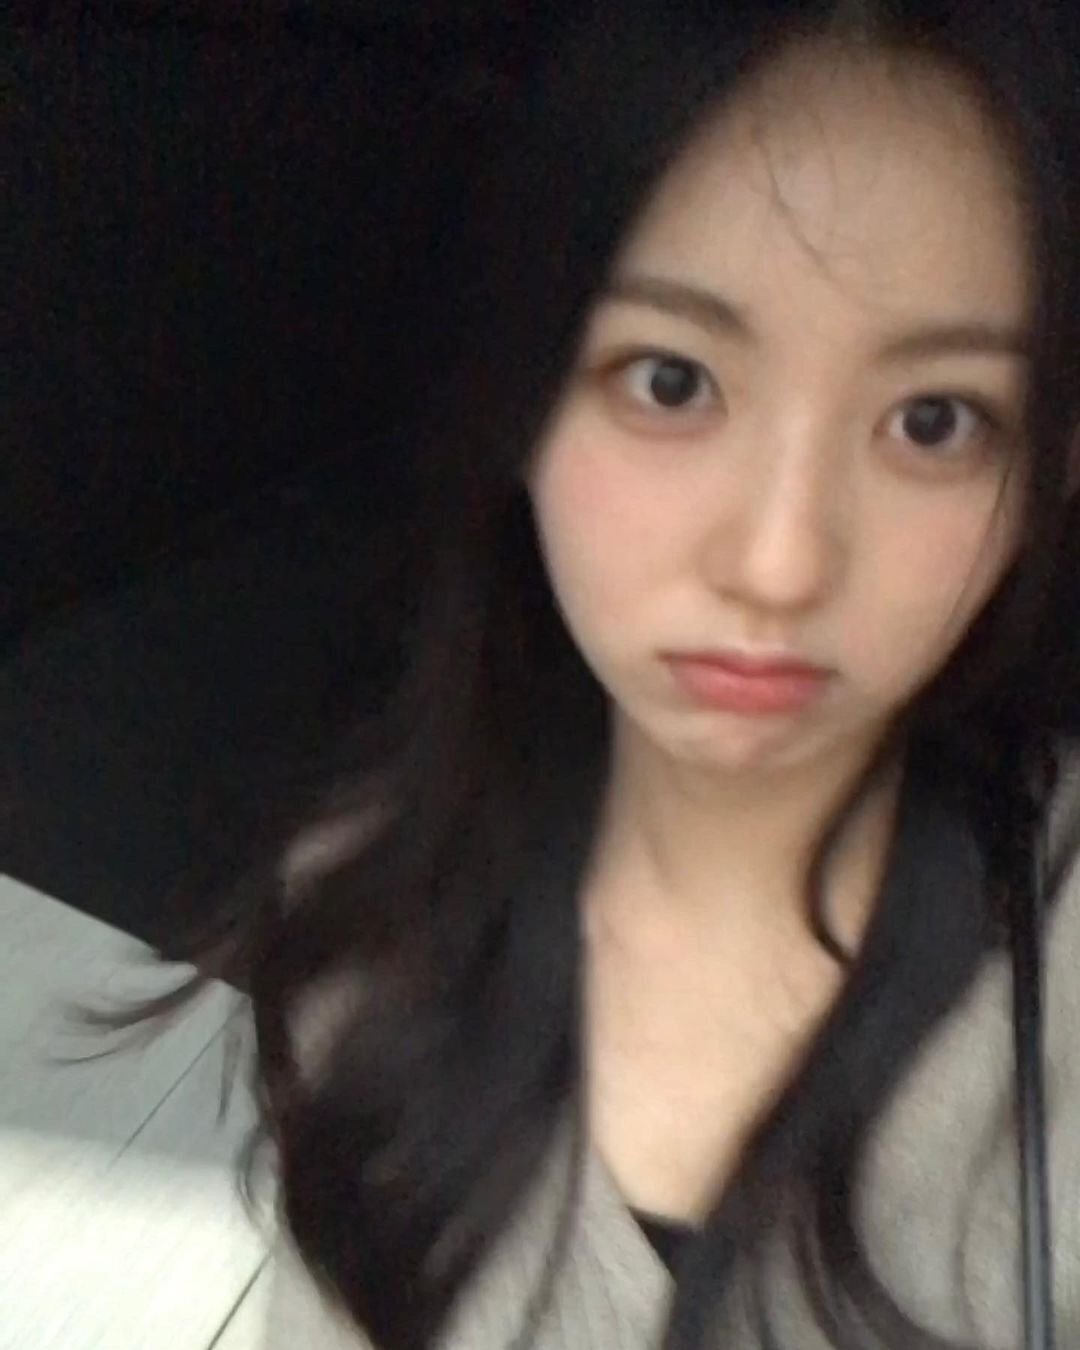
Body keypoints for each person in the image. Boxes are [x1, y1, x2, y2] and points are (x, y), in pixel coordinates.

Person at [121, 2, 1080, 1347]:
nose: (780, 562)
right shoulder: (373, 912)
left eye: (935, 420)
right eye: (672, 381)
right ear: (520, 398)